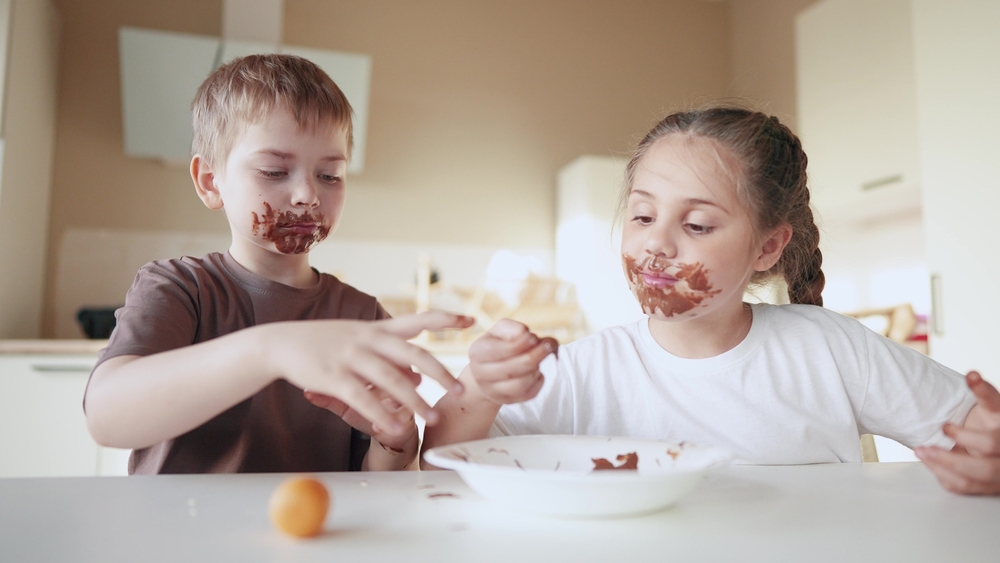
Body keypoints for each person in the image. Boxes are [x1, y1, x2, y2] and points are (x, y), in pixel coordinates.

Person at [421, 107, 1000, 495]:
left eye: (696, 225)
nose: (656, 241)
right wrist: (479, 389)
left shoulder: (833, 350)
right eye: (643, 215)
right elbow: (443, 470)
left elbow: (975, 430)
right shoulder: (582, 371)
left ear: (767, 247)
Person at [84, 54, 472, 474]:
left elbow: (376, 481)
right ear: (211, 183)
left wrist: (395, 444)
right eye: (273, 171)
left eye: (330, 175)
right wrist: (272, 349)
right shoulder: (179, 288)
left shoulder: (361, 316)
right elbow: (107, 418)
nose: (307, 194)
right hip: (180, 535)